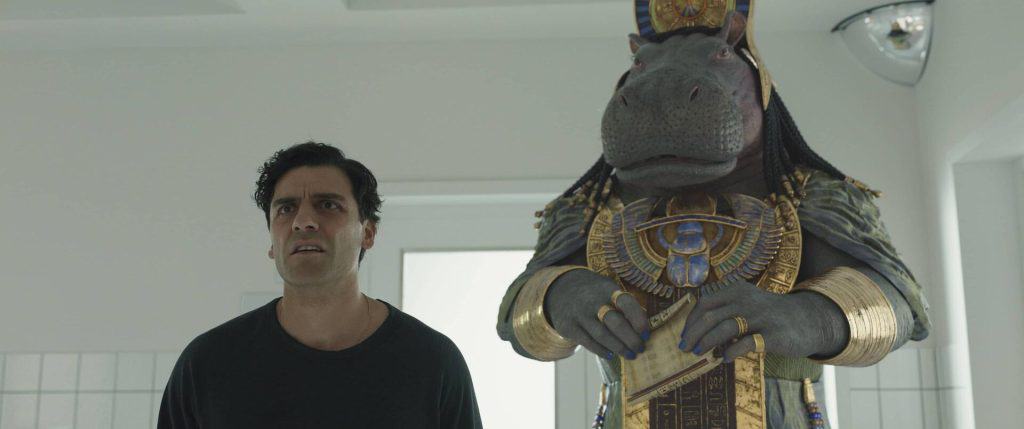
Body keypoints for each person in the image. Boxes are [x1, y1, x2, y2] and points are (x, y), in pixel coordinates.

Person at [159, 142, 482, 428]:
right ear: (272, 241)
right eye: (286, 209)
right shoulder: (208, 363)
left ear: (368, 233)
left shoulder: (432, 361)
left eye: (328, 205)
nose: (303, 221)